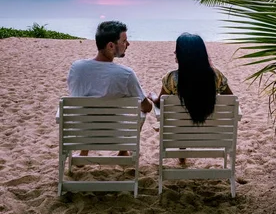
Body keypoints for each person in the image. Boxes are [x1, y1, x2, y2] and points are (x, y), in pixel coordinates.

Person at [68, 20, 152, 157]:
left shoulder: (76, 68)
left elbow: (76, 93)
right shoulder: (126, 74)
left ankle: (84, 152)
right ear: (111, 46)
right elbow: (146, 107)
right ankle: (123, 151)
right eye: (124, 41)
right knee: (142, 113)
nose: (128, 44)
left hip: (81, 133)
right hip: (115, 135)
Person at [149, 33, 232, 162]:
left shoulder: (171, 78)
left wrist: (153, 96)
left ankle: (182, 155)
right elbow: (230, 99)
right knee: (193, 106)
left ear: (181, 54)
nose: (174, 52)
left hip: (181, 133)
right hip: (211, 133)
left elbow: (160, 103)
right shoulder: (216, 76)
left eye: (177, 50)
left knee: (183, 113)